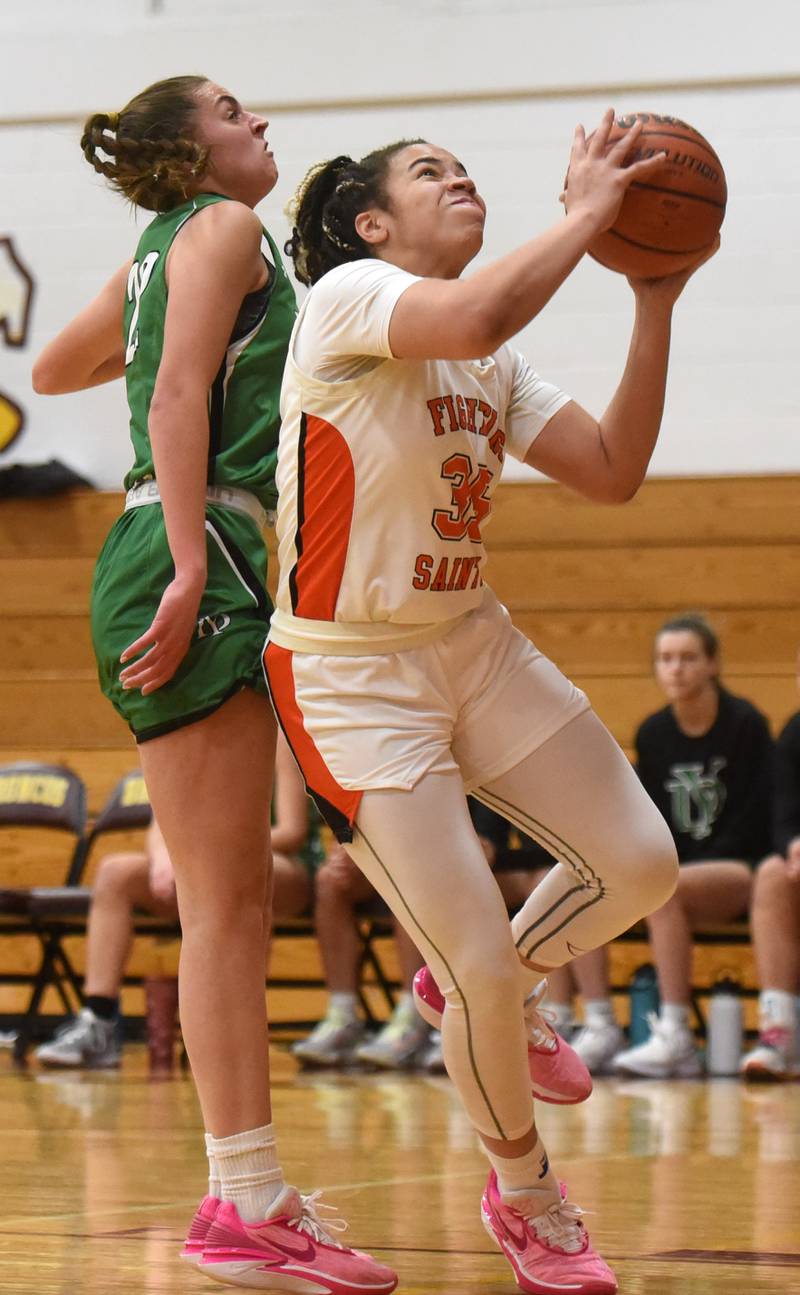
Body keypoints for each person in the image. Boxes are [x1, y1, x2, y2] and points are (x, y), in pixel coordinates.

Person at [264, 113, 714, 1293]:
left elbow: (610, 470)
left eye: (463, 167)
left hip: (469, 637)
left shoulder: (490, 361)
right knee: (475, 961)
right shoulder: (350, 296)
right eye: (428, 172)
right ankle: (526, 1196)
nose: (458, 176)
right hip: (350, 668)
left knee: (638, 862)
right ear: (371, 224)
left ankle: (483, 985)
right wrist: (585, 213)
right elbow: (475, 309)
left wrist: (653, 297)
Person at [32, 75, 396, 1294]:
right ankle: (246, 1203)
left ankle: (245, 1191)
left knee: (233, 894)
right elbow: (178, 388)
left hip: (194, 549)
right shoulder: (223, 228)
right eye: (236, 113)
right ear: (191, 153)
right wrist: (192, 551)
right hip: (204, 554)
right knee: (229, 906)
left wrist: (160, 352)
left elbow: (57, 365)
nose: (262, 125)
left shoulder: (162, 247)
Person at [34, 736, 315, 1070]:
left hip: (280, 864)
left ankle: (234, 1031)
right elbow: (160, 825)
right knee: (115, 874)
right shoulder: (187, 727)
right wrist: (162, 861)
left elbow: (292, 830)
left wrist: (214, 854)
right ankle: (99, 1019)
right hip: (205, 865)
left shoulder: (276, 733)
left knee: (233, 874)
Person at [612, 614, 774, 1079]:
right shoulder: (653, 733)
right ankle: (608, 1024)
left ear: (712, 665)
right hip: (681, 873)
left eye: (687, 658)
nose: (676, 669)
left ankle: (677, 1033)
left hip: (740, 868)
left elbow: (756, 814)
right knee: (635, 884)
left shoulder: (745, 724)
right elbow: (650, 816)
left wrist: (688, 866)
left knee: (667, 888)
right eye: (665, 659)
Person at [740, 655, 800, 1080]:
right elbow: (784, 817)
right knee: (772, 874)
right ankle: (779, 1030)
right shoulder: (795, 733)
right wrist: (794, 844)